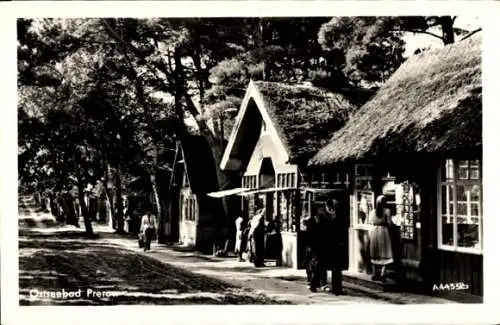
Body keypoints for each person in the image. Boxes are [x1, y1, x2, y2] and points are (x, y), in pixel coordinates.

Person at [368, 195, 394, 282]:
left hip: (374, 231)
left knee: (375, 252)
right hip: (383, 231)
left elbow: (370, 222)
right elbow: (390, 224)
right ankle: (383, 273)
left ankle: (374, 273)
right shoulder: (387, 211)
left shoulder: (372, 212)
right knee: (385, 251)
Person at [324, 199, 344, 295]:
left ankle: (336, 288)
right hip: (334, 245)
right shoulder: (334, 217)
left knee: (336, 268)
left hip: (335, 245)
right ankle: (336, 288)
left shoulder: (335, 218)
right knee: (336, 269)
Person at [248, 199, 266, 267]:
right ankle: (258, 262)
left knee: (255, 249)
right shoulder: (258, 217)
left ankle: (257, 262)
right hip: (258, 235)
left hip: (255, 234)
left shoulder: (254, 217)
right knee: (259, 249)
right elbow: (261, 216)